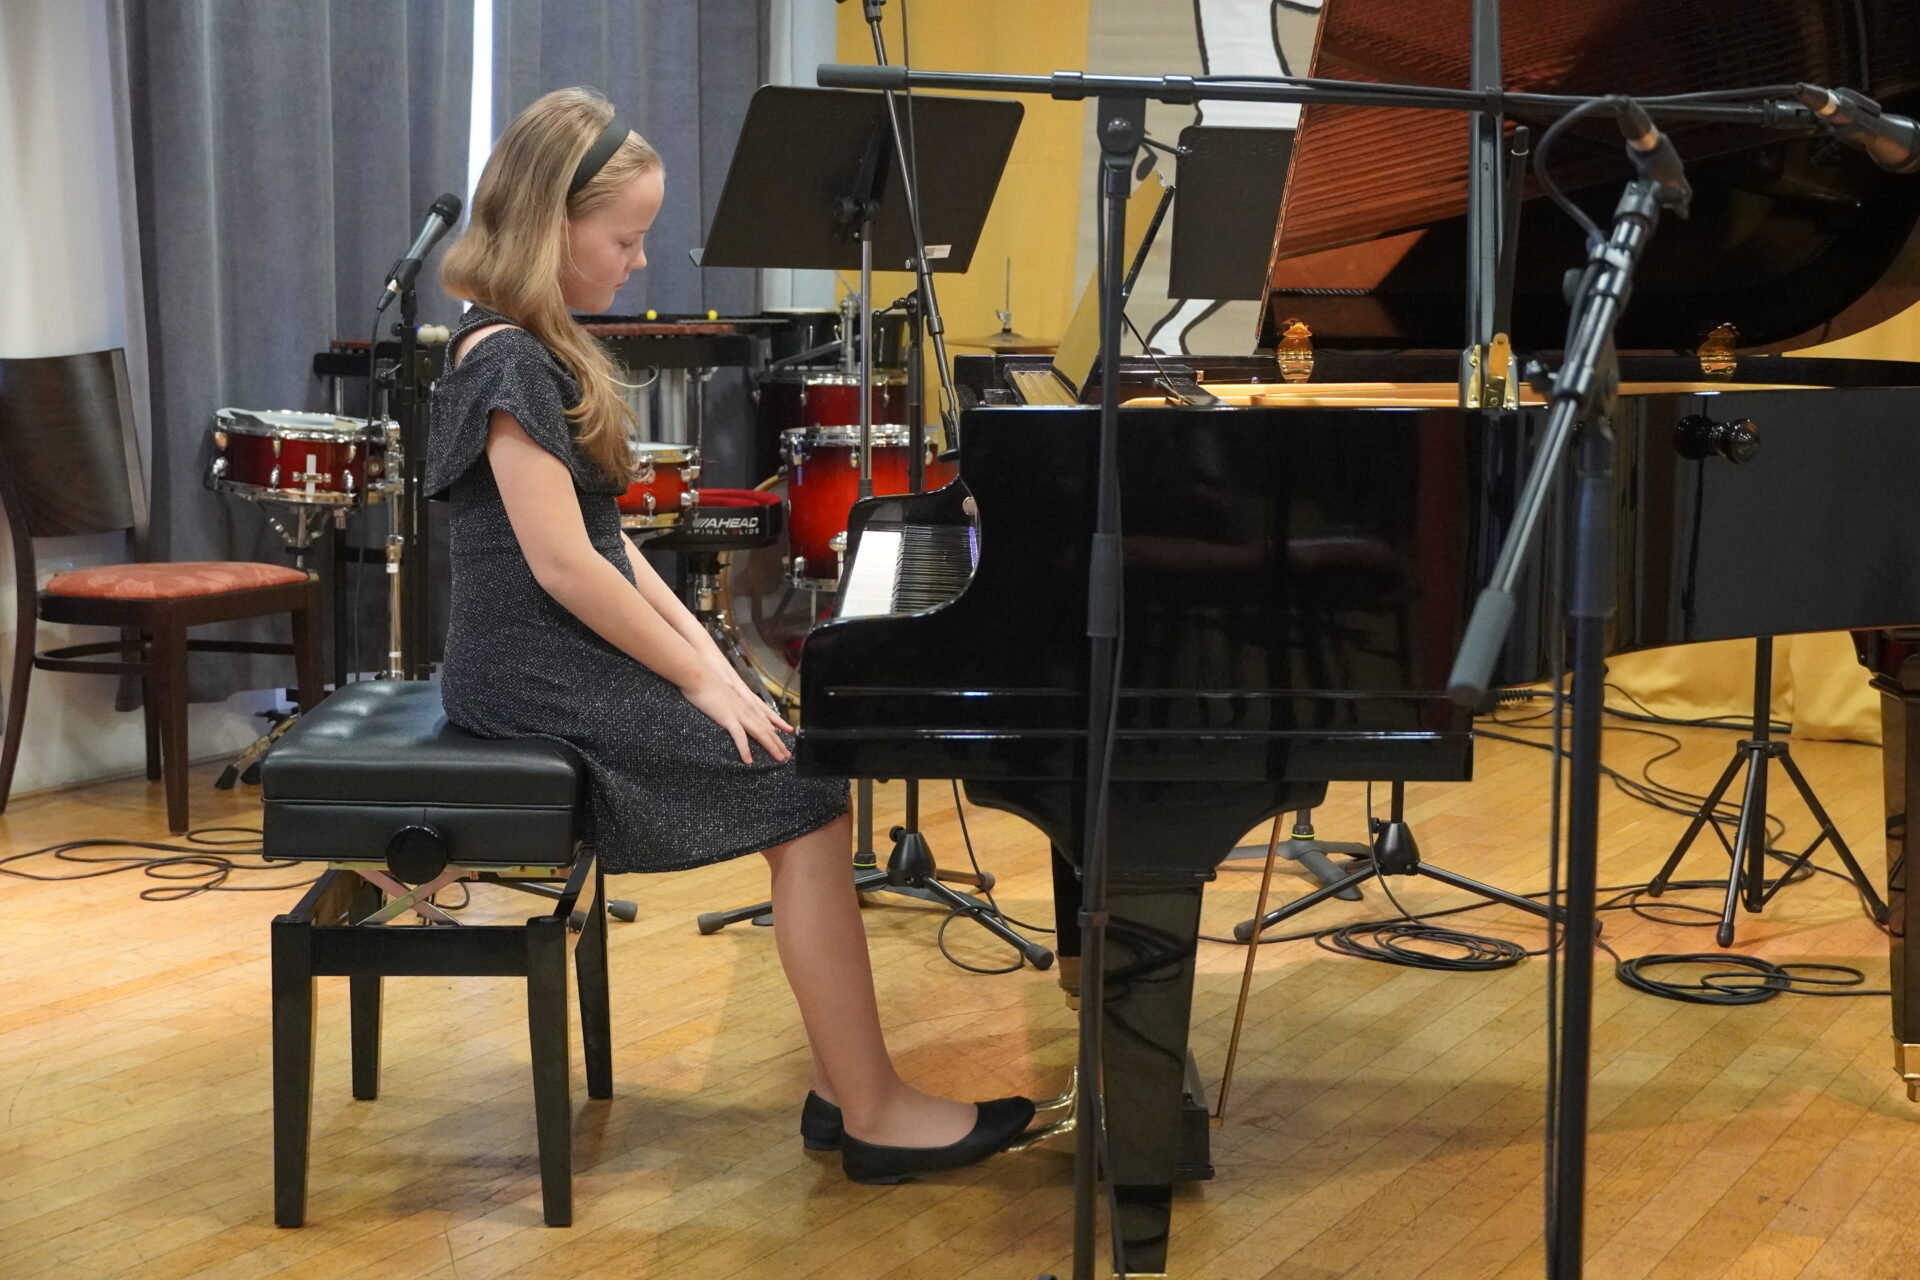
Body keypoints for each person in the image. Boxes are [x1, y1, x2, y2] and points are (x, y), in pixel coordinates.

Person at [427, 87, 1033, 1184]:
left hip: (548, 655)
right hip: (527, 674)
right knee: (805, 798)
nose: (639, 261)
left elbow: (609, 549)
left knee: (796, 768)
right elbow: (565, 569)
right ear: (552, 224)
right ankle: (875, 1110)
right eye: (625, 239)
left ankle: (847, 1087)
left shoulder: (527, 346)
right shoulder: (505, 359)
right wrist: (702, 685)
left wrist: (716, 664)